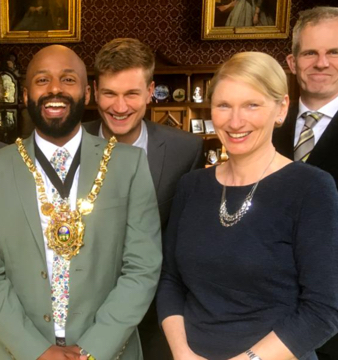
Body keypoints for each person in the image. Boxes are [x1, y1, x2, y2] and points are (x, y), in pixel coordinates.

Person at [0, 45, 162, 360]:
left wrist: (94, 348)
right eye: (42, 80)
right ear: (26, 94)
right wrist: (36, 351)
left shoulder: (129, 164)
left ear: (87, 93)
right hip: (21, 351)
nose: (55, 88)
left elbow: (143, 266)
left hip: (110, 350)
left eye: (68, 80)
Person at [157, 52, 338, 360]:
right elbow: (170, 280)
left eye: (252, 105)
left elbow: (324, 311)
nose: (235, 121)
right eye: (223, 105)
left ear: (281, 109)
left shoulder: (312, 188)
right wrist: (183, 354)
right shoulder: (191, 186)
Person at [84, 37, 204, 360]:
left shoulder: (185, 150)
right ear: (95, 92)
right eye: (109, 93)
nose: (119, 107)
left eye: (131, 94)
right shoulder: (68, 146)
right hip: (79, 315)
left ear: (150, 92)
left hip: (154, 321)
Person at [273, 7, 338, 360]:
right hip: (263, 320)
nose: (321, 63)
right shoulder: (264, 125)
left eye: (334, 52)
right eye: (310, 52)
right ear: (292, 62)